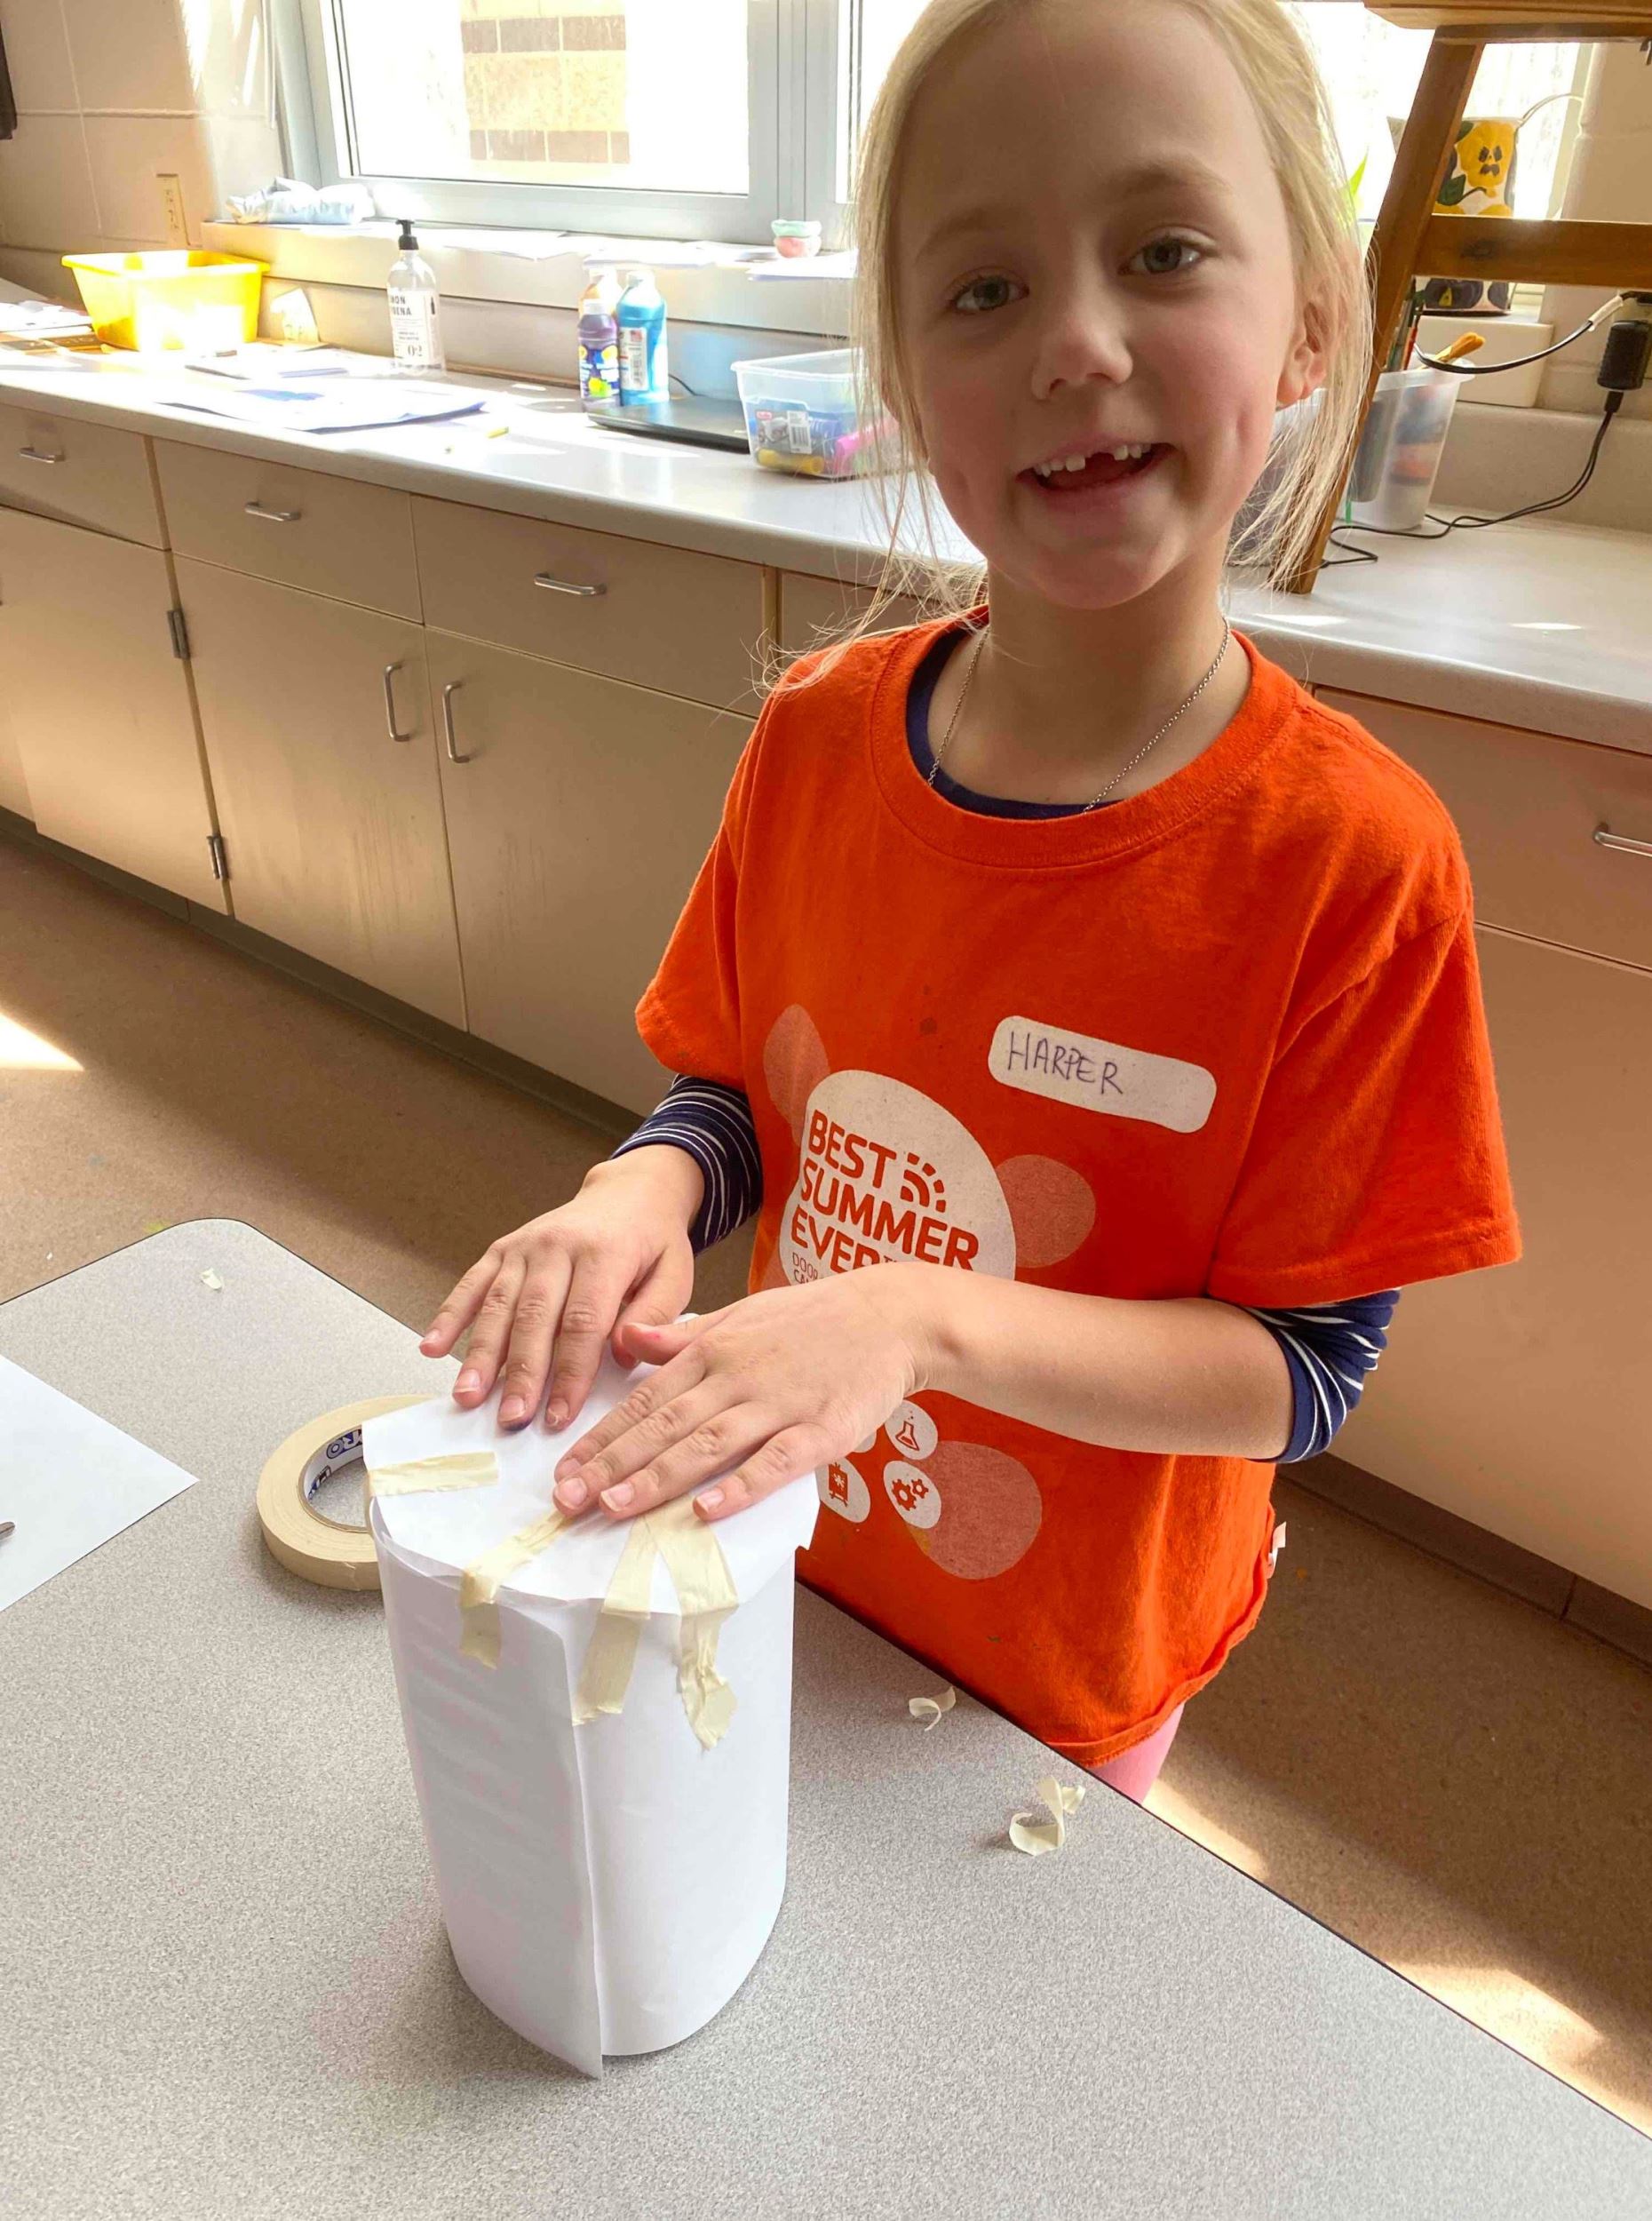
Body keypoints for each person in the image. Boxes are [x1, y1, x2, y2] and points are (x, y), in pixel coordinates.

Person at [418, 0, 1521, 1803]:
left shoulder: (1350, 861)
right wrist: (639, 1191)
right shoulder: (814, 738)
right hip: (766, 1544)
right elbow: (743, 1101)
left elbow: (1306, 1372)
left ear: (1312, 321)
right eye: (984, 289)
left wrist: (915, 1320)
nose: (1075, 343)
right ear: (911, 382)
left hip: (1063, 1664)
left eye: (1163, 251)